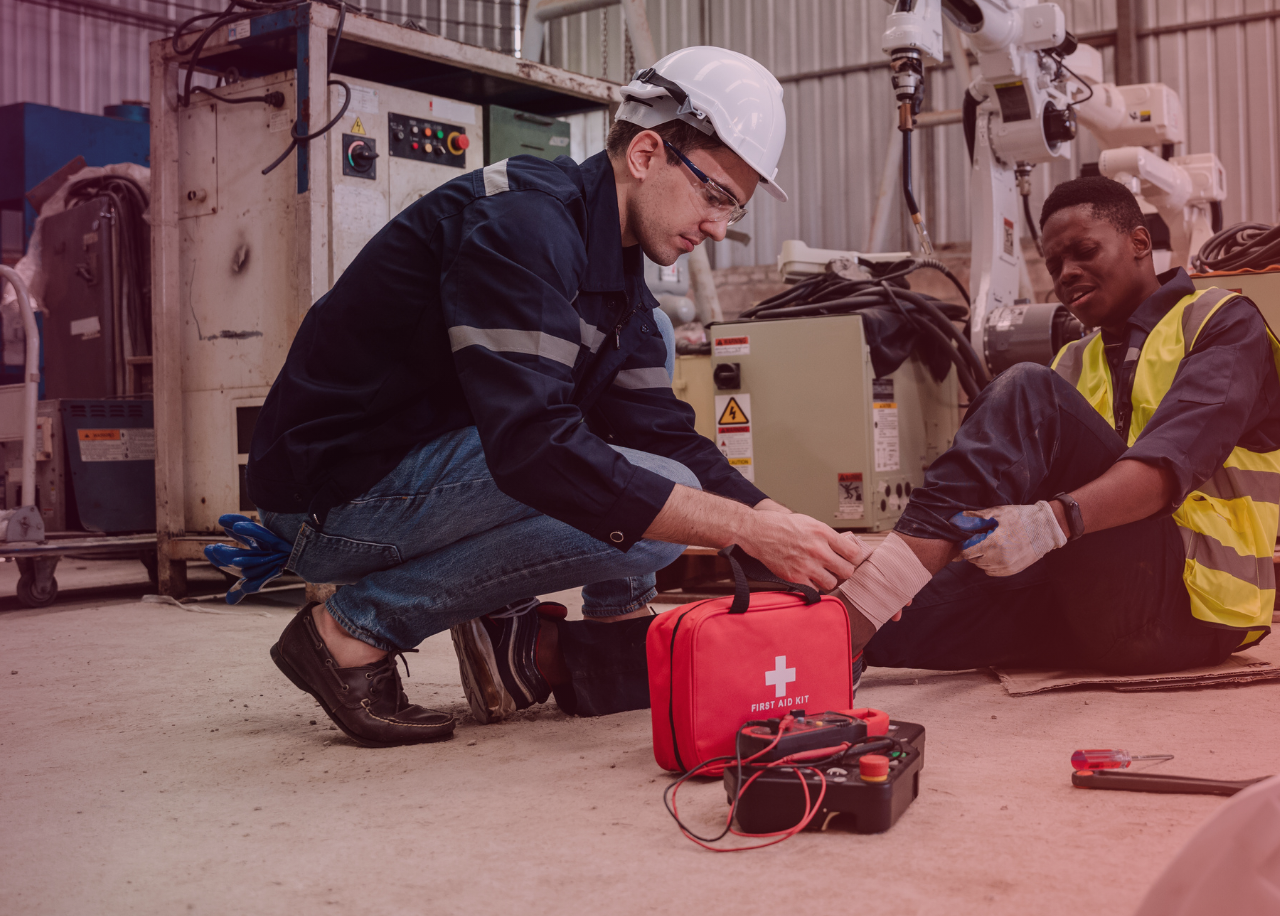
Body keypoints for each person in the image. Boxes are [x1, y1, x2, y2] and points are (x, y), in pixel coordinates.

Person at [239, 46, 866, 747]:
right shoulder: (524, 227)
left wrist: (784, 523)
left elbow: (658, 433)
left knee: (660, 501)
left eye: (733, 209)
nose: (719, 228)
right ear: (646, 154)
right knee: (661, 502)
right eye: (715, 196)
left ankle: (553, 623)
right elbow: (533, 448)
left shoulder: (616, 275)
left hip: (422, 472)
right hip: (332, 498)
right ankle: (352, 631)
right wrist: (743, 531)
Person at [836, 176, 1280, 674]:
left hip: (1190, 607)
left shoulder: (1220, 322)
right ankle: (832, 629)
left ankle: (865, 601)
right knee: (892, 619)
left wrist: (1049, 523)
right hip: (1091, 598)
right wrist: (962, 539)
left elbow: (1167, 467)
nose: (1066, 274)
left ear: (1139, 242)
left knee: (1023, 388)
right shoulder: (1075, 361)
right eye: (1055, 264)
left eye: (1084, 252)